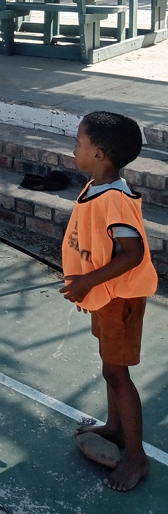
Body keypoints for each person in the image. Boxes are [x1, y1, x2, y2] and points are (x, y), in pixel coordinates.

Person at [60, 110, 157, 492]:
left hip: (121, 299)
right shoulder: (97, 186)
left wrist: (86, 281)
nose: (74, 148)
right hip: (105, 296)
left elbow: (131, 254)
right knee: (109, 369)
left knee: (118, 374)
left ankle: (136, 457)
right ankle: (116, 428)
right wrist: (88, 285)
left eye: (79, 143)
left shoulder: (114, 198)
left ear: (99, 154)